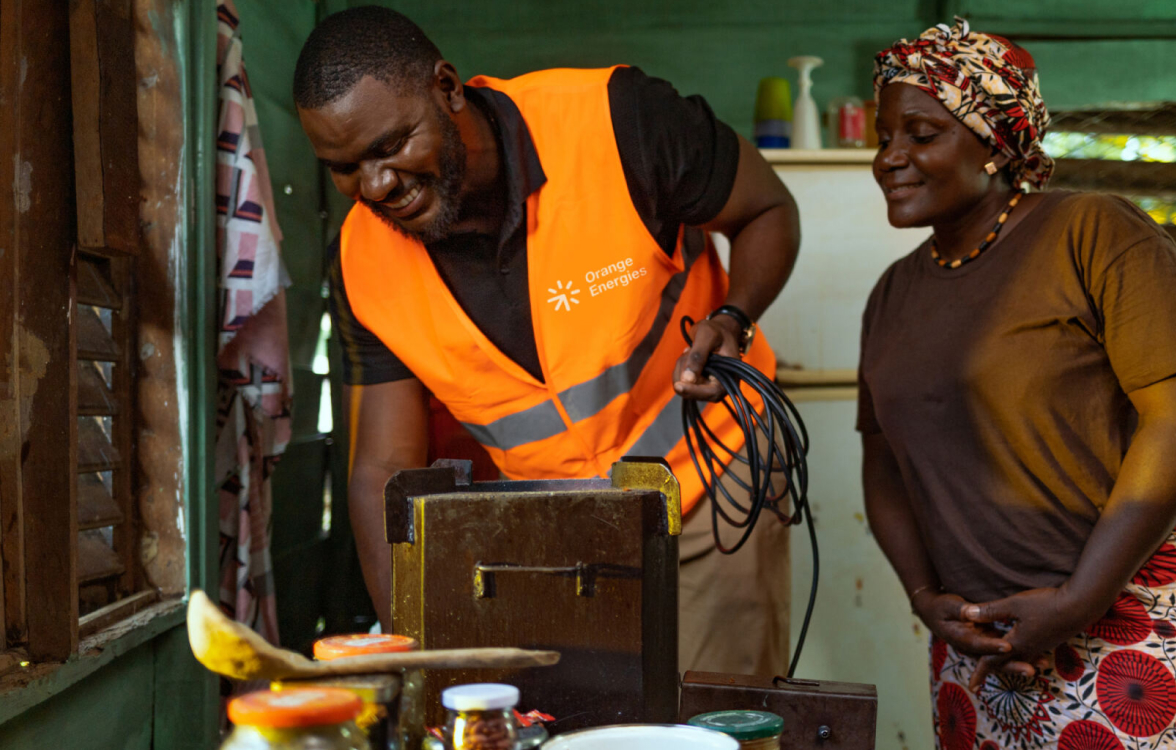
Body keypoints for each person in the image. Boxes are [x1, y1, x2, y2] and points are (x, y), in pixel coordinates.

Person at [293, 7, 799, 676]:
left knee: (712, 724)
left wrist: (735, 317)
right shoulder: (360, 259)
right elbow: (381, 468)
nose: (377, 185)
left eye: (390, 146)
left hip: (713, 472)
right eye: (345, 167)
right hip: (556, 530)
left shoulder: (618, 121)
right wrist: (406, 651)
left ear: (447, 88)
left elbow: (768, 209)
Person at [858, 19, 1176, 750]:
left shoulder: (1095, 233)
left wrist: (1079, 600)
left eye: (921, 134)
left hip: (1152, 622)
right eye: (884, 137)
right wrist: (925, 597)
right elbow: (885, 465)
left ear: (996, 143)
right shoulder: (893, 295)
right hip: (988, 651)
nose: (890, 159)